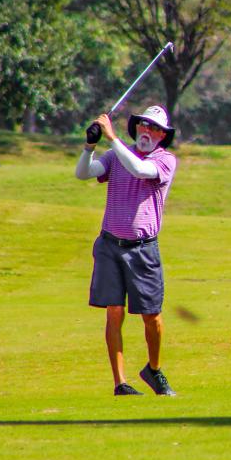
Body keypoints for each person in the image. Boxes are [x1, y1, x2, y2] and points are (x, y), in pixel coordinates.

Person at [74, 105, 179, 396]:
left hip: (143, 250)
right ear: (137, 127)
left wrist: (112, 138)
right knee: (114, 312)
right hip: (110, 246)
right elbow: (83, 173)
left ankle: (153, 370)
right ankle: (120, 383)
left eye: (155, 128)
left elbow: (139, 169)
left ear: (162, 136)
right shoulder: (116, 156)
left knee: (151, 316)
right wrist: (89, 146)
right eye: (144, 125)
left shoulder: (165, 160)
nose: (148, 131)